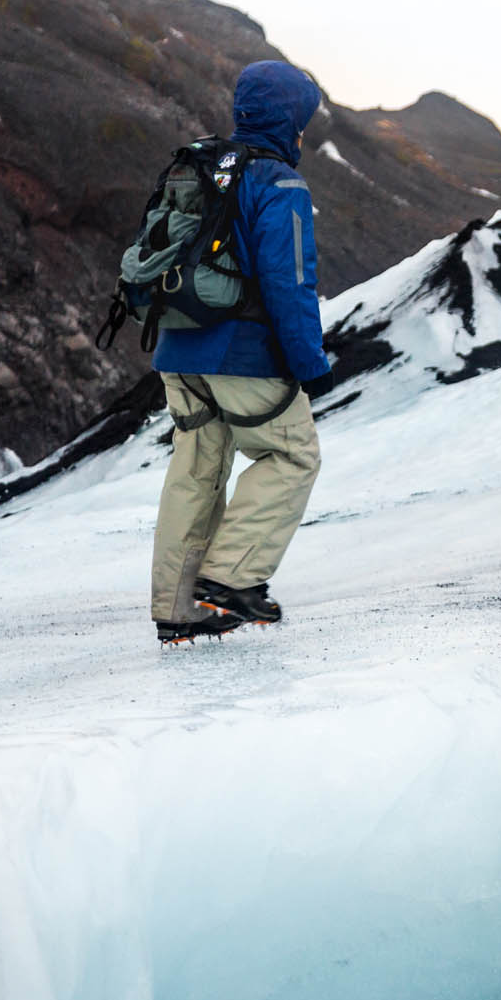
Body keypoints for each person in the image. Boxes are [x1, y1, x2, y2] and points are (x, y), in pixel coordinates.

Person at [151, 60, 334, 643]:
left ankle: (179, 609)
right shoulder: (278, 183)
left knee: (196, 471)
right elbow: (289, 283)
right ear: (289, 121)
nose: (302, 134)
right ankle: (231, 581)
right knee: (292, 456)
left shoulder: (204, 165)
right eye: (302, 122)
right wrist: (310, 363)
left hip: (177, 346)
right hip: (241, 353)